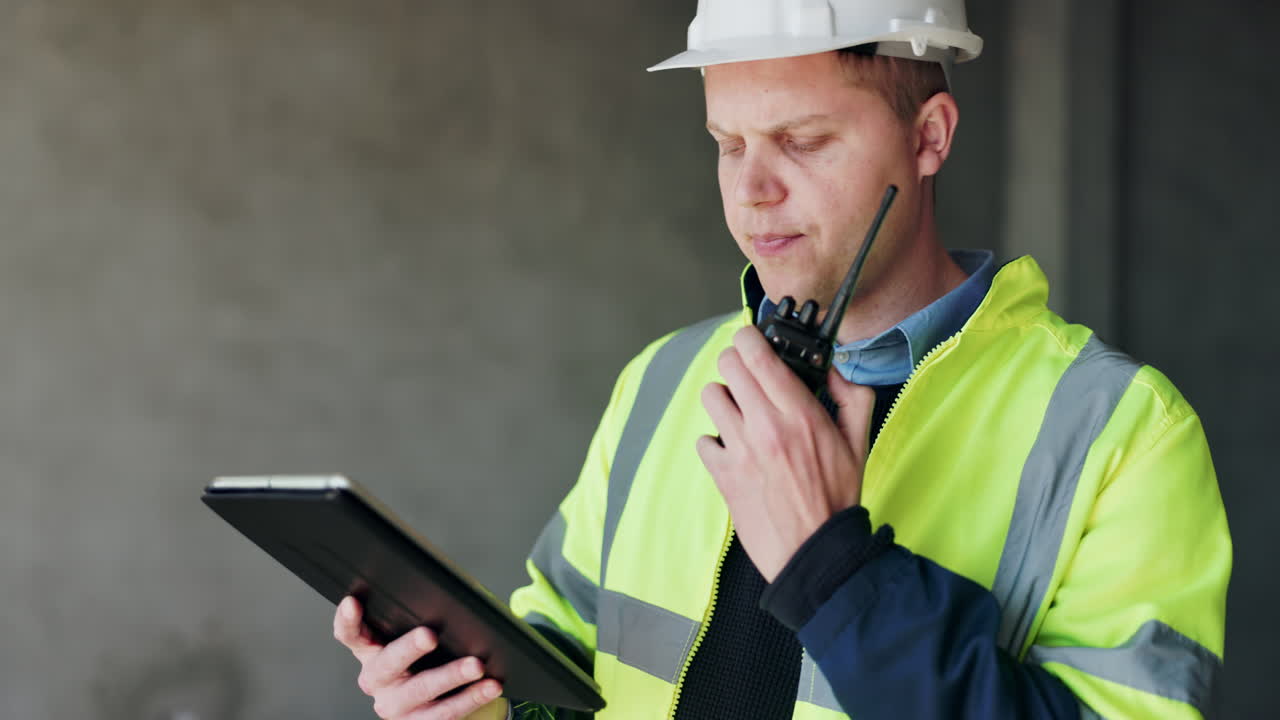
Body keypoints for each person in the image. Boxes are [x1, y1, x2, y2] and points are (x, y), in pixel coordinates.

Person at [333, 1, 1231, 718]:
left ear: (930, 137)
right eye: (729, 145)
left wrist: (835, 570)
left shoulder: (1122, 435)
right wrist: (471, 705)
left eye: (803, 142)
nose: (754, 191)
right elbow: (568, 672)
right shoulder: (661, 383)